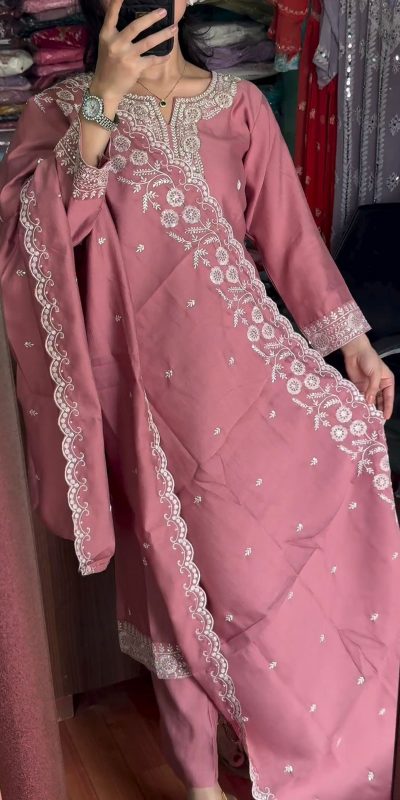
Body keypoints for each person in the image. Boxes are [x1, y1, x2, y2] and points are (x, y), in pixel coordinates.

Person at [0, 1, 399, 799]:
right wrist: (103, 100)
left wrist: (353, 345)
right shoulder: (59, 109)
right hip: (144, 405)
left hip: (248, 388)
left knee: (268, 575)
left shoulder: (238, 106)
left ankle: (293, 734)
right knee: (175, 588)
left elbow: (289, 237)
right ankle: (198, 779)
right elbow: (38, 241)